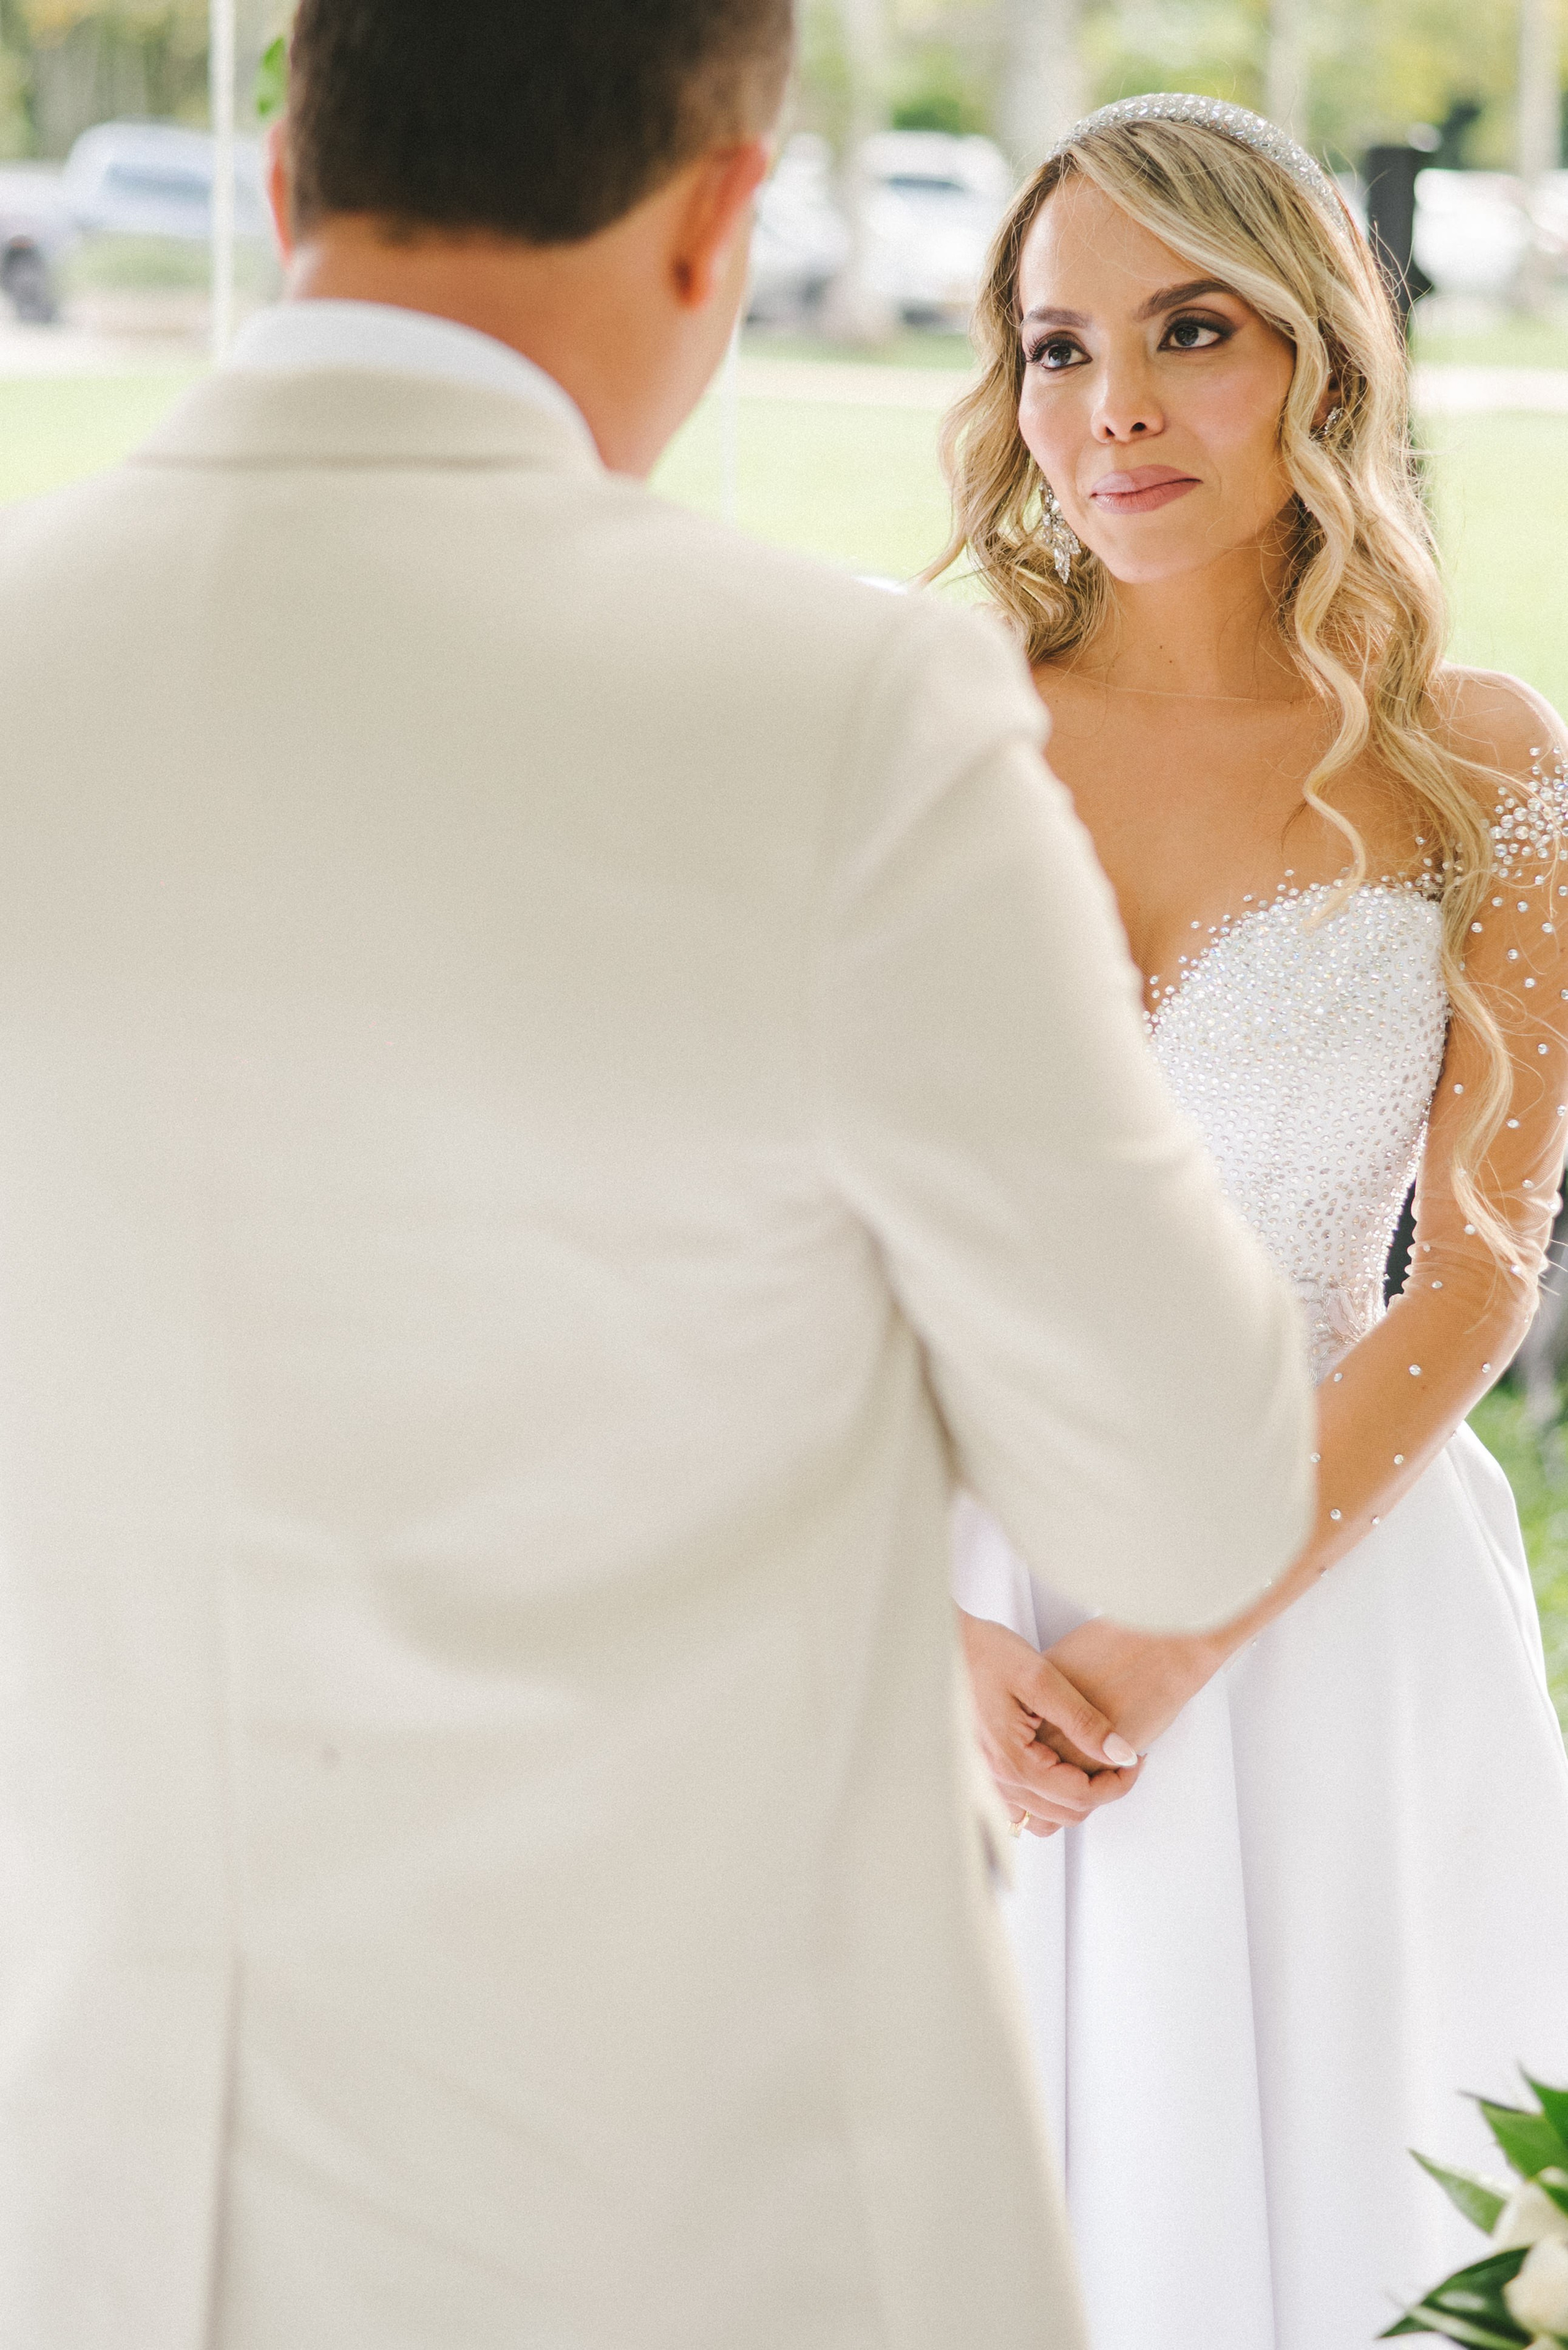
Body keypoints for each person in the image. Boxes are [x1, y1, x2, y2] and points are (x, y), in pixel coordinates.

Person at [0, 21, 1315, 2350]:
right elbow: (1194, 1486)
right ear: (724, 216)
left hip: (94, 2208)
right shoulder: (839, 718)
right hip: (715, 2213)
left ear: (290, 165)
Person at [945, 94, 1568, 2350]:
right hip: (949, 1611)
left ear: (1321, 355)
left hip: (1320, 1592)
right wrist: (940, 1641)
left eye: (1188, 328)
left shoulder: (1475, 763)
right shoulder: (914, 729)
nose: (1109, 406)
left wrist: (1182, 1630)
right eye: (1052, 344)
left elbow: (1483, 1260)